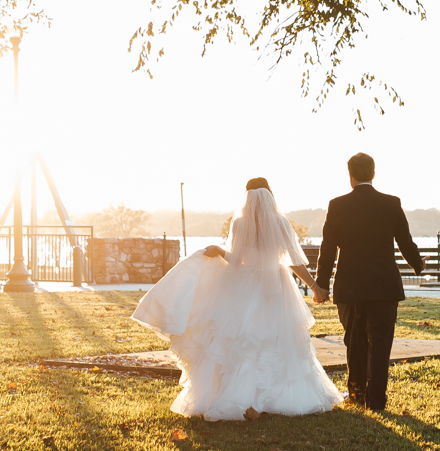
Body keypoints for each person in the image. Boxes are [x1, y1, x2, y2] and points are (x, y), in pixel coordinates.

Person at [130, 179, 342, 421]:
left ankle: (236, 393)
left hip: (246, 286)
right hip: (277, 285)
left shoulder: (240, 223)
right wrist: (314, 286)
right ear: (270, 195)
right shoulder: (280, 222)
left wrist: (219, 251)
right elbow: (294, 261)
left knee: (242, 340)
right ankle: (282, 394)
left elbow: (235, 260)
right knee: (278, 338)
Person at [314, 152, 423, 412]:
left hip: (350, 286)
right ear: (373, 174)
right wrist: (418, 264)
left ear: (350, 175)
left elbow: (328, 248)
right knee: (381, 342)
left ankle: (357, 393)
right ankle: (376, 400)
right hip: (384, 285)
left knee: (354, 341)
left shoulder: (337, 205)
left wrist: (321, 283)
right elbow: (405, 242)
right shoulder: (391, 203)